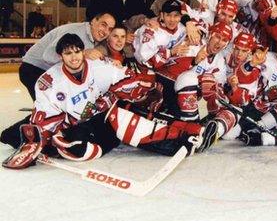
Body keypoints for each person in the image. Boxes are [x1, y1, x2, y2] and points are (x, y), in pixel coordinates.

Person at [2, 34, 217, 169]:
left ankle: (182, 141)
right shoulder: (48, 81)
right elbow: (44, 119)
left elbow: (130, 80)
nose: (74, 57)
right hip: (72, 123)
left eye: (77, 51)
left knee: (125, 123)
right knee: (10, 135)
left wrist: (115, 95)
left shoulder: (98, 66)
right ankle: (97, 142)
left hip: (100, 117)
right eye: (68, 53)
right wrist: (51, 133)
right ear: (60, 56)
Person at [20, 12, 116, 100]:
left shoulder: (92, 37)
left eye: (110, 29)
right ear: (93, 21)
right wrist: (82, 54)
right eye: (103, 25)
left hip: (47, 72)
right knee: (51, 111)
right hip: (34, 69)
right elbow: (48, 56)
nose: (105, 31)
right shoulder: (76, 32)